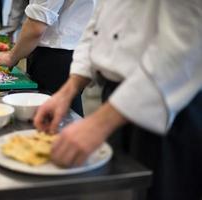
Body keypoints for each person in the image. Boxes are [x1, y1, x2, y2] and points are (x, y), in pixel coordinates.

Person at [34, 1, 202, 200]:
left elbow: (187, 44)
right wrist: (68, 90)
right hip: (115, 102)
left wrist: (98, 124)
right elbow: (97, 24)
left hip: (167, 101)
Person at [0, 0, 96, 116]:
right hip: (75, 52)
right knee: (68, 114)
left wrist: (12, 56)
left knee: (55, 118)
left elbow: (36, 26)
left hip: (54, 58)